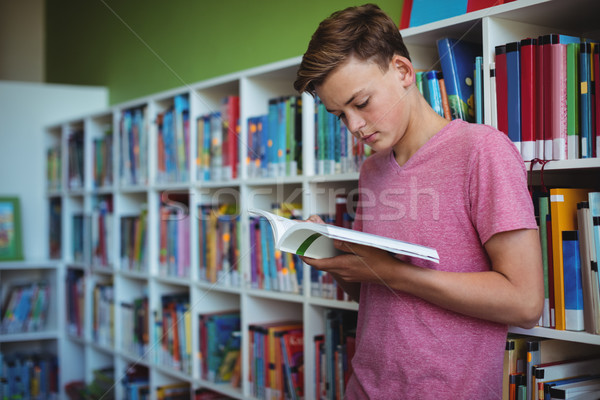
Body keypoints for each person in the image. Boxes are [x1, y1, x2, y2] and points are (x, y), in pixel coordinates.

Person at [294, 4, 543, 399]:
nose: (354, 126)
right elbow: (376, 295)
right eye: (339, 115)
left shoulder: (482, 150)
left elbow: (525, 302)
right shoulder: (372, 170)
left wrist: (394, 273)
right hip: (365, 387)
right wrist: (335, 261)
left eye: (361, 103)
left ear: (403, 71)